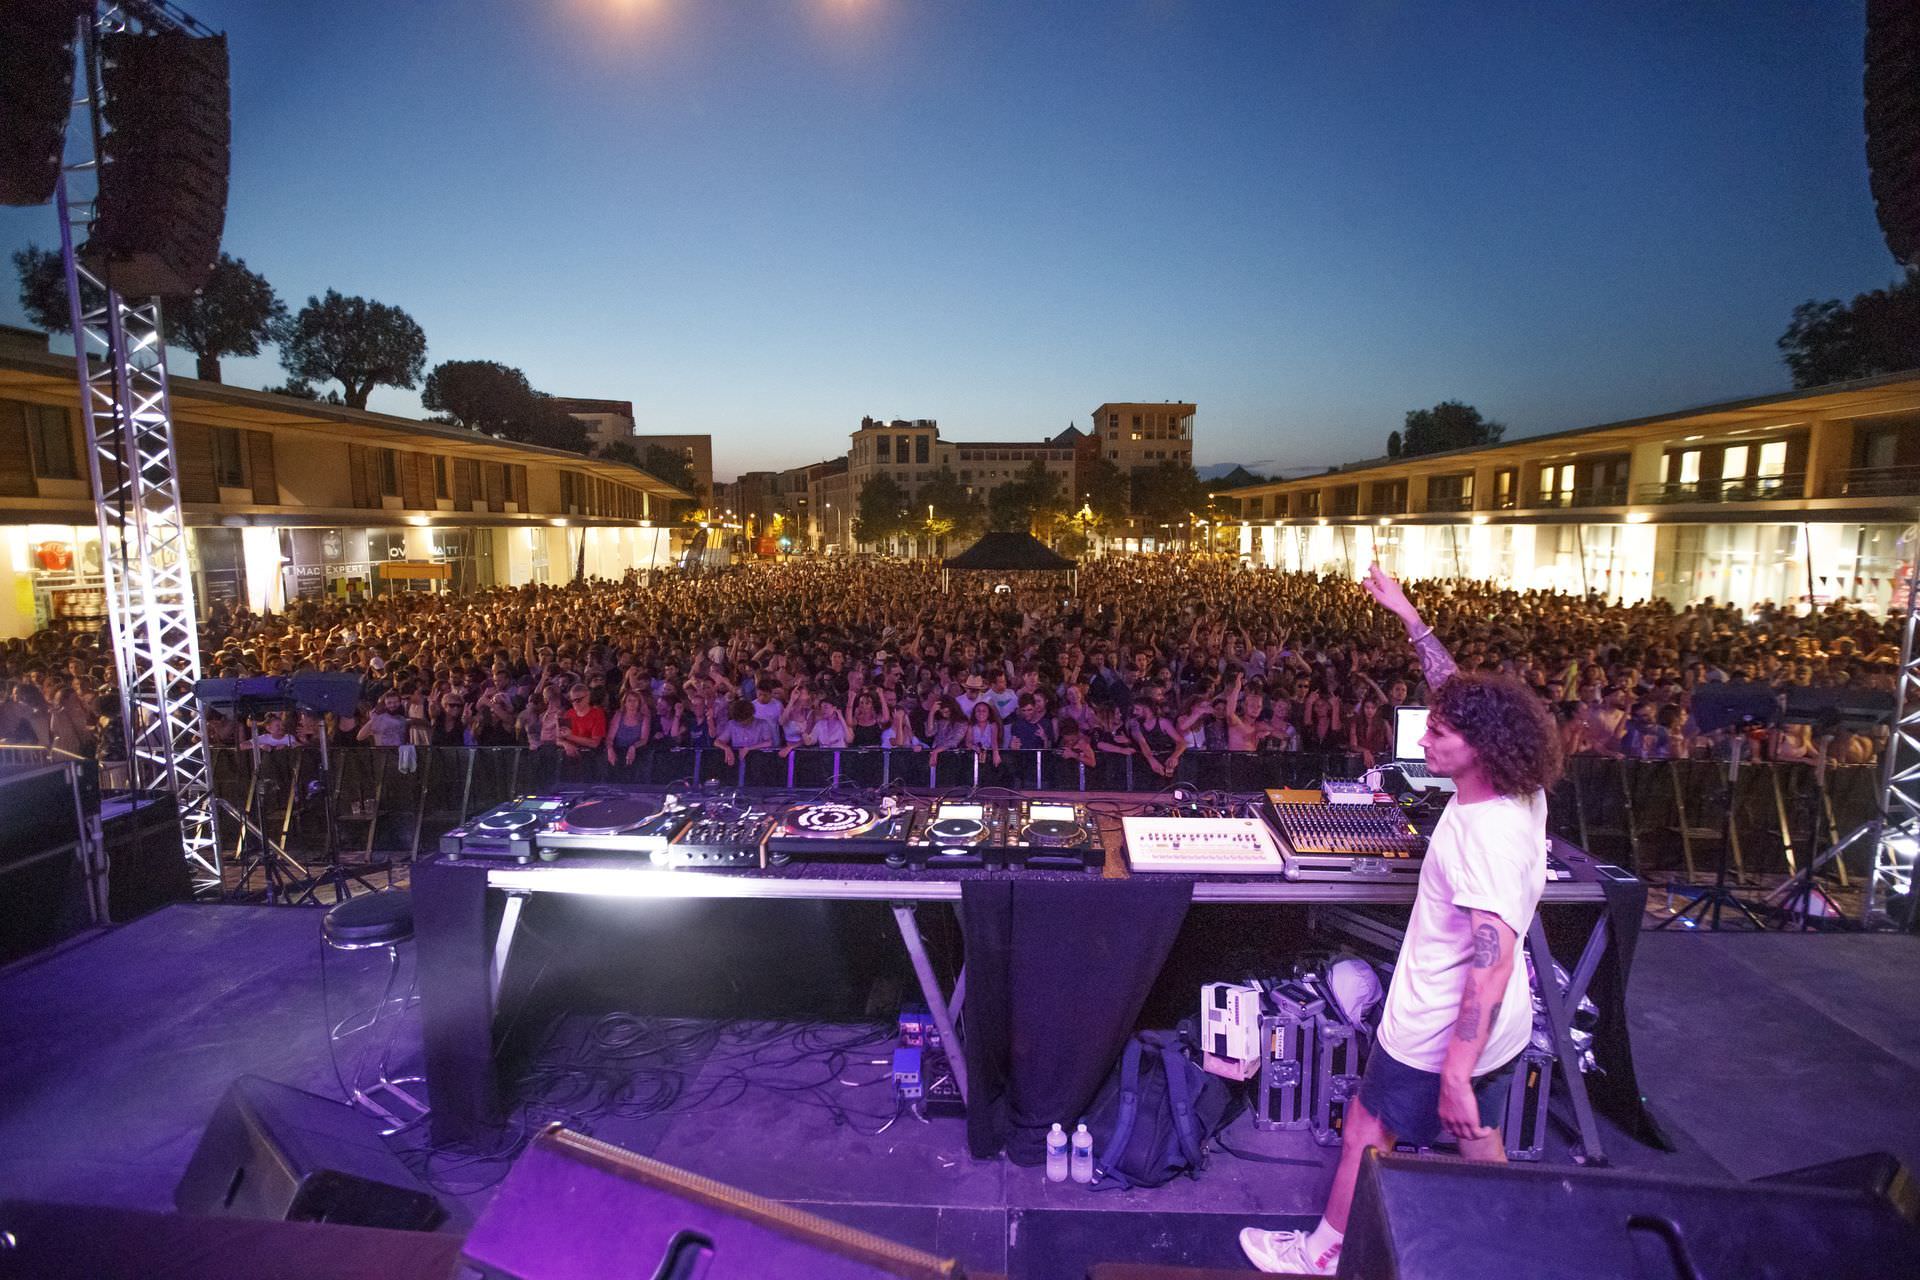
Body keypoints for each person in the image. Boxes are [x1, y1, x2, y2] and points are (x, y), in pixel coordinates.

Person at [1242, 563, 1562, 1276]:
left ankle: (1324, 1253)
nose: (1422, 741)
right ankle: (1514, 1249)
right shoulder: (1520, 783)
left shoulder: (1485, 836)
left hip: (1437, 1031)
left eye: (1439, 736)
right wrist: (1409, 617)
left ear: (1477, 748)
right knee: (1478, 1138)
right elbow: (1454, 689)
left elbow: (1494, 958)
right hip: (1500, 1028)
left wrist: (1452, 1069)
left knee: (1366, 1126)